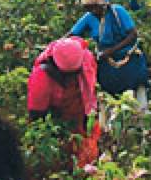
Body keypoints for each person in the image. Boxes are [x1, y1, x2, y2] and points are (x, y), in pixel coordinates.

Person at [27, 36, 100, 167]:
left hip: (83, 115)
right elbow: (37, 116)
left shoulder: (85, 58)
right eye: (68, 75)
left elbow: (91, 91)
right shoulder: (42, 77)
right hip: (61, 123)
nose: (72, 78)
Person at [69, 0, 148, 109]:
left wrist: (112, 50)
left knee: (136, 99)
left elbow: (133, 34)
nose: (94, 11)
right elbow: (73, 34)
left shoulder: (117, 11)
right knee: (109, 100)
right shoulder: (89, 17)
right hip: (108, 66)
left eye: (96, 8)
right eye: (90, 9)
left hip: (129, 60)